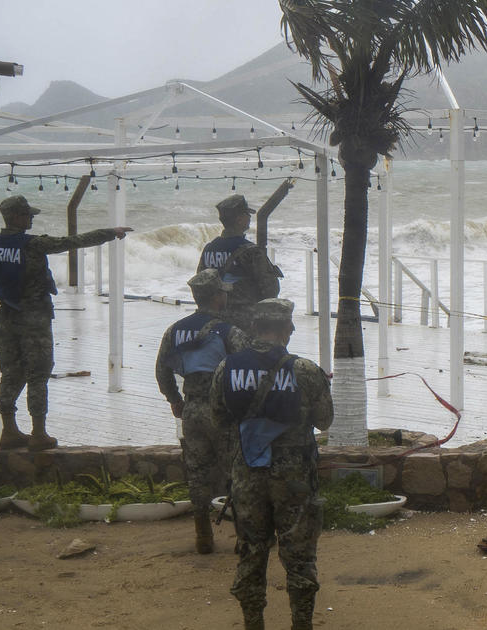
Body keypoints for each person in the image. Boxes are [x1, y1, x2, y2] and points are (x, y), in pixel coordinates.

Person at [210, 298, 332, 630]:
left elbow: (219, 418)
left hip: (247, 473)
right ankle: (301, 624)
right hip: (295, 477)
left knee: (251, 551)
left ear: (254, 328)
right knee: (299, 555)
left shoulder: (227, 368)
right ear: (287, 329)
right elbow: (325, 421)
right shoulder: (304, 370)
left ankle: (253, 623)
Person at [0, 195, 131, 451]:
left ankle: (9, 430)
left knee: (10, 373)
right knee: (38, 373)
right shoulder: (32, 245)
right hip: (34, 319)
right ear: (16, 216)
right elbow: (73, 242)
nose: (31, 219)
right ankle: (38, 433)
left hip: (5, 318)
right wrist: (110, 232)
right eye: (28, 215)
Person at [154, 268, 249, 554]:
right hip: (223, 411)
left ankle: (203, 536)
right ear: (217, 297)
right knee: (237, 472)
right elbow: (246, 367)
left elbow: (162, 370)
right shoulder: (228, 330)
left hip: (191, 409)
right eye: (223, 292)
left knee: (197, 474)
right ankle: (244, 537)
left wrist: (174, 399)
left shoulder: (175, 330)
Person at [197, 194, 282, 331]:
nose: (249, 218)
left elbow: (200, 285)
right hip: (245, 322)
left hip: (214, 321)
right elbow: (270, 290)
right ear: (239, 220)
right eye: (247, 214)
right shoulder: (251, 251)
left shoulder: (209, 249)